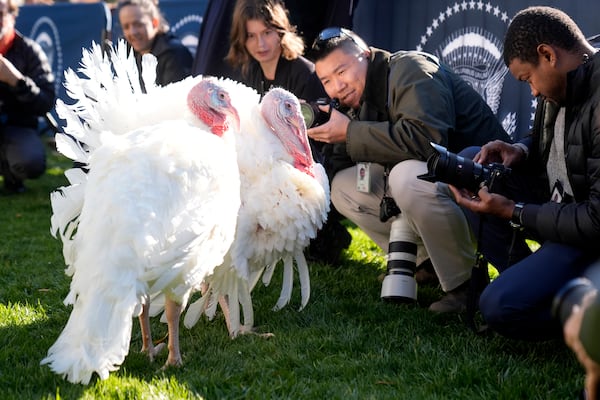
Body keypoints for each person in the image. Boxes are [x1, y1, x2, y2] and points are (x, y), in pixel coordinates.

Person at [306, 27, 511, 312]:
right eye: (326, 80)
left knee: (408, 177)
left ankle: (466, 285)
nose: (336, 86)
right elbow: (347, 160)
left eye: (342, 71)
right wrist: (318, 141)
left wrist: (350, 131)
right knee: (343, 186)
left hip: (485, 188)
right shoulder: (357, 98)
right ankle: (426, 262)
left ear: (365, 55)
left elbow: (428, 142)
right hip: (445, 189)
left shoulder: (410, 69)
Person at [450, 6, 600, 340]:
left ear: (547, 55)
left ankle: (582, 315)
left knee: (501, 306)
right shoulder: (566, 79)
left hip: (586, 235)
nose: (531, 91)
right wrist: (522, 149)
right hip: (560, 211)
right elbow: (565, 140)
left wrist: (515, 212)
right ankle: (528, 281)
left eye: (527, 78)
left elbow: (596, 219)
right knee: (471, 166)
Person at [226, 0, 352, 264]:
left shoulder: (304, 73)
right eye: (251, 36)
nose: (260, 44)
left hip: (316, 160)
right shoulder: (251, 71)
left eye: (267, 33)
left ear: (281, 32)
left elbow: (318, 138)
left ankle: (327, 232)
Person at [0, 0, 55, 194]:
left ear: (13, 17)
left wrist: (16, 80)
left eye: (0, 14)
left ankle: (13, 176)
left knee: (30, 160)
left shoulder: (30, 50)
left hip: (18, 127)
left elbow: (46, 101)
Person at [117, 0, 193, 89]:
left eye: (138, 24)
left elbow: (175, 100)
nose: (132, 32)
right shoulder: (127, 53)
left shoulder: (173, 53)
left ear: (154, 23)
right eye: (126, 27)